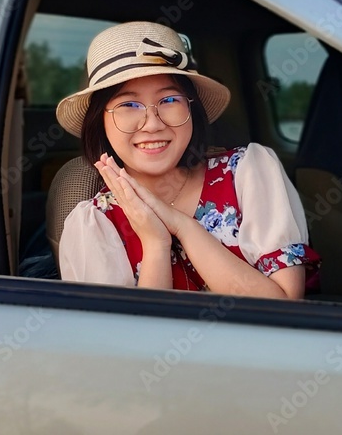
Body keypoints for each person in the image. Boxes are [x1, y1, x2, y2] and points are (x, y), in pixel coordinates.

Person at [55, 21, 319, 299]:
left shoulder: (249, 172)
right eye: (128, 105)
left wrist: (184, 226)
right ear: (100, 121)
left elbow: (283, 309)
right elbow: (130, 340)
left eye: (169, 100)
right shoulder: (95, 224)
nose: (152, 124)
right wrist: (156, 243)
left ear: (191, 108)